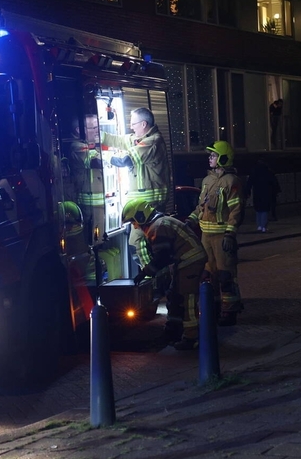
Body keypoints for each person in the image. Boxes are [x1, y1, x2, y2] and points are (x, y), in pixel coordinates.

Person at [123, 199, 207, 350]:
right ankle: (174, 331)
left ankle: (191, 338)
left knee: (186, 299)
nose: (134, 226)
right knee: (174, 296)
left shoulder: (158, 227)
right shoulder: (160, 223)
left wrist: (145, 273)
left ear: (141, 216)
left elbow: (162, 257)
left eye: (133, 222)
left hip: (190, 261)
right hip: (184, 261)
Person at [101, 107, 169, 267]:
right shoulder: (139, 139)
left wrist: (103, 156)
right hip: (142, 205)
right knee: (149, 243)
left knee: (137, 242)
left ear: (144, 124)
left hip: (149, 205)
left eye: (134, 124)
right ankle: (158, 274)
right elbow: (118, 141)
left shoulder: (152, 142)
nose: (131, 127)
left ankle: (153, 274)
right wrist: (97, 134)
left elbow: (125, 160)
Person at [187, 140, 244, 327]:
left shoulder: (231, 182)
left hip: (221, 237)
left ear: (223, 158)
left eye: (213, 155)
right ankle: (214, 308)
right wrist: (190, 220)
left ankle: (230, 312)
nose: (210, 158)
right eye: (210, 155)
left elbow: (236, 210)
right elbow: (201, 207)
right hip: (206, 237)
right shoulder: (207, 181)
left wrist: (230, 234)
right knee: (207, 275)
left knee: (225, 276)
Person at [247, 159, 279, 232]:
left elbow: (249, 183)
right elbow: (274, 183)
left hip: (257, 192)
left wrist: (247, 192)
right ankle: (264, 226)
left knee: (258, 210)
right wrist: (276, 192)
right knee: (265, 209)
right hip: (266, 193)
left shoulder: (254, 172)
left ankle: (259, 226)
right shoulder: (268, 172)